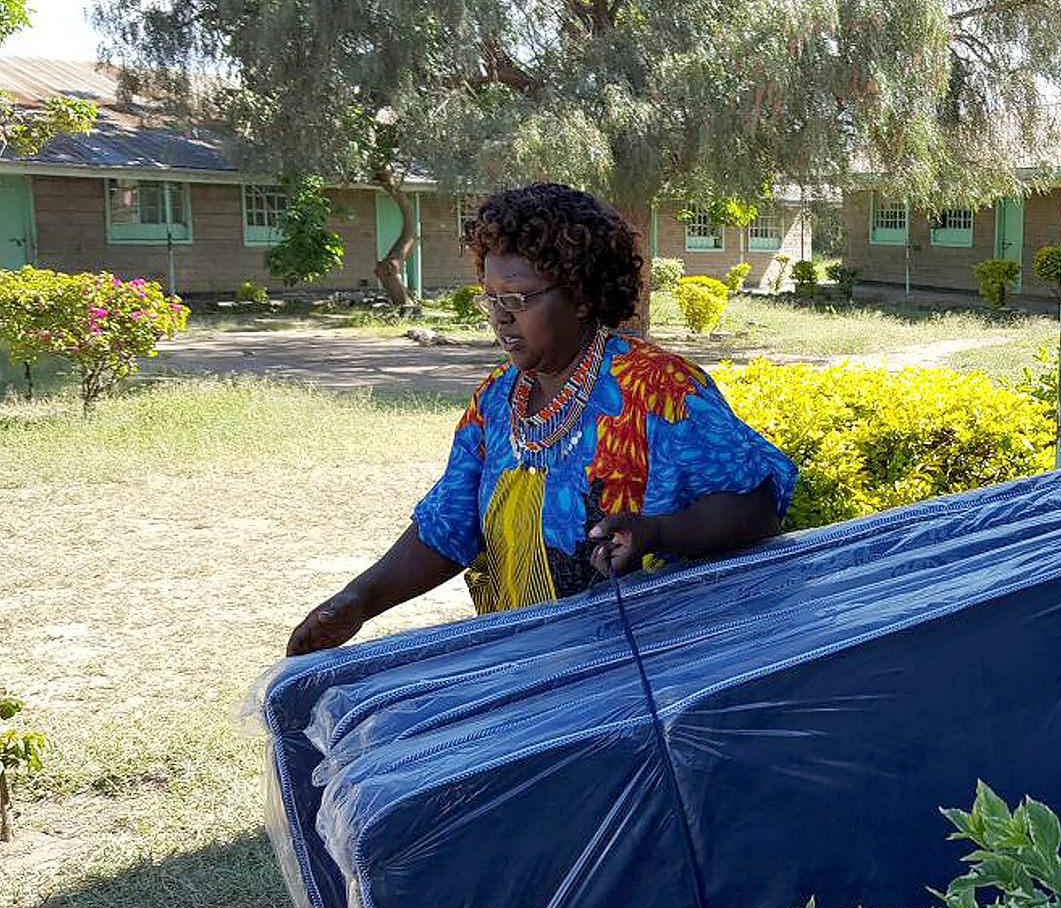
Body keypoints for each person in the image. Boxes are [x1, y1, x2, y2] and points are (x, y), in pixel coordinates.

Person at [287, 182, 796, 655]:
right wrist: (357, 601)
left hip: (646, 673)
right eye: (490, 297)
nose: (499, 316)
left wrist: (658, 532)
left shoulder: (660, 389)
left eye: (518, 299)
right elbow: (448, 525)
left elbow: (756, 508)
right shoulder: (494, 402)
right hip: (526, 670)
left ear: (579, 295)